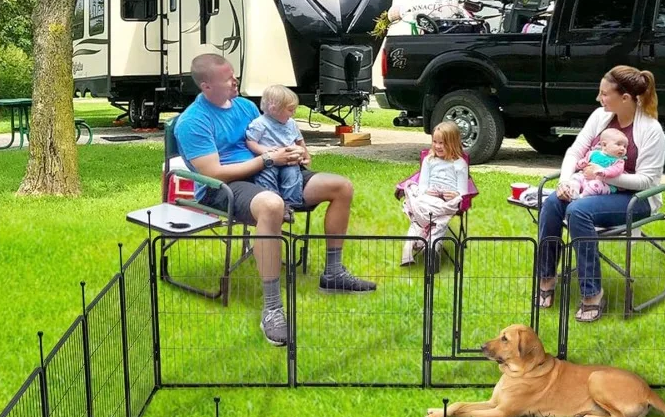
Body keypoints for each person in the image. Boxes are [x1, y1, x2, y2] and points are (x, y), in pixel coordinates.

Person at [174, 54, 376, 349]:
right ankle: (272, 308)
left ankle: (333, 273)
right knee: (271, 205)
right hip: (225, 187)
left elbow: (271, 133)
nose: (235, 80)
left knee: (341, 186)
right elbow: (214, 172)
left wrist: (299, 153)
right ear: (206, 86)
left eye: (234, 74)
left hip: (274, 171)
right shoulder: (192, 122)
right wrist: (268, 158)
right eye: (228, 78)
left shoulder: (244, 107)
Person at [537, 65, 665, 323]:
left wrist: (604, 175)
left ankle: (592, 293)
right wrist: (564, 183)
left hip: (634, 199)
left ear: (626, 98)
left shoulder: (652, 130)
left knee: (578, 210)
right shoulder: (599, 117)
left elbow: (647, 181)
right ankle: (546, 277)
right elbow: (574, 153)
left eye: (605, 94)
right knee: (553, 202)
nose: (599, 99)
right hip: (593, 190)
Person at [400, 121, 469, 266]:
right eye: (435, 142)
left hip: (445, 202)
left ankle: (423, 247)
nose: (437, 146)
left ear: (453, 143)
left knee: (437, 217)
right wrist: (427, 191)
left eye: (442, 143)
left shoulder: (460, 164)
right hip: (428, 199)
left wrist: (456, 194)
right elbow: (423, 184)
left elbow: (463, 191)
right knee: (424, 206)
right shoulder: (429, 160)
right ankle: (431, 247)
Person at [245, 84, 305, 208]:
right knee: (266, 177)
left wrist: (305, 155)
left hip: (289, 160)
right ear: (273, 108)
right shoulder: (260, 124)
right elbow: (250, 142)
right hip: (269, 161)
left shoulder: (291, 123)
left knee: (292, 176)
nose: (294, 113)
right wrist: (264, 150)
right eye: (290, 109)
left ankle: (290, 204)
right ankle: (273, 202)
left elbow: (299, 140)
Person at [564, 127, 629, 198]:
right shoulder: (594, 153)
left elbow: (616, 171)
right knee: (576, 177)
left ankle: (582, 197)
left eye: (625, 146)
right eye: (618, 144)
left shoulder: (619, 161)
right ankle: (573, 193)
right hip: (586, 178)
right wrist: (581, 164)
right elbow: (586, 160)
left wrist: (604, 172)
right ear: (604, 145)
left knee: (595, 185)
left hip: (605, 184)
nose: (622, 148)